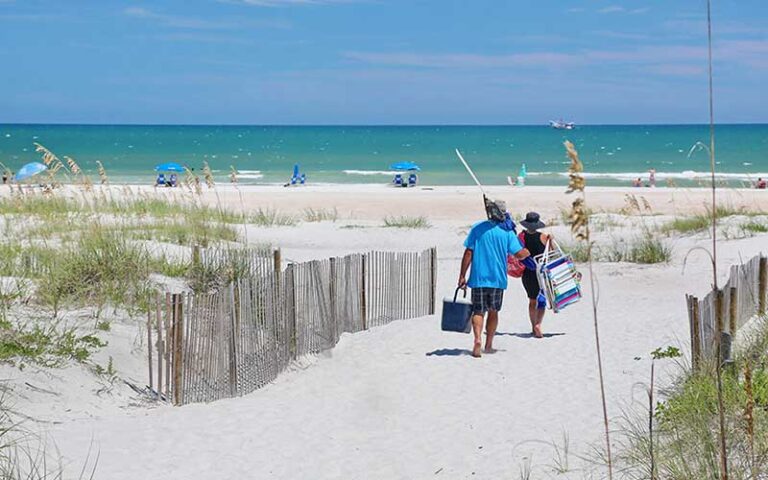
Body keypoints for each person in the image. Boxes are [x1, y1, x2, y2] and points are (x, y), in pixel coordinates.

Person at [458, 199, 533, 358]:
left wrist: (462, 275)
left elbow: (468, 253)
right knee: (493, 311)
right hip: (497, 279)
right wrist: (528, 252)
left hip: (478, 278)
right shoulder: (507, 233)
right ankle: (489, 343)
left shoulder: (477, 228)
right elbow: (519, 254)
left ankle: (477, 339)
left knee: (478, 311)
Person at [518, 212, 551, 338]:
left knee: (532, 300)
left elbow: (516, 252)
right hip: (541, 272)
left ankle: (533, 326)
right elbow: (551, 253)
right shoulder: (543, 237)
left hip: (528, 272)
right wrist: (551, 240)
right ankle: (538, 324)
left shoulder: (521, 236)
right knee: (541, 299)